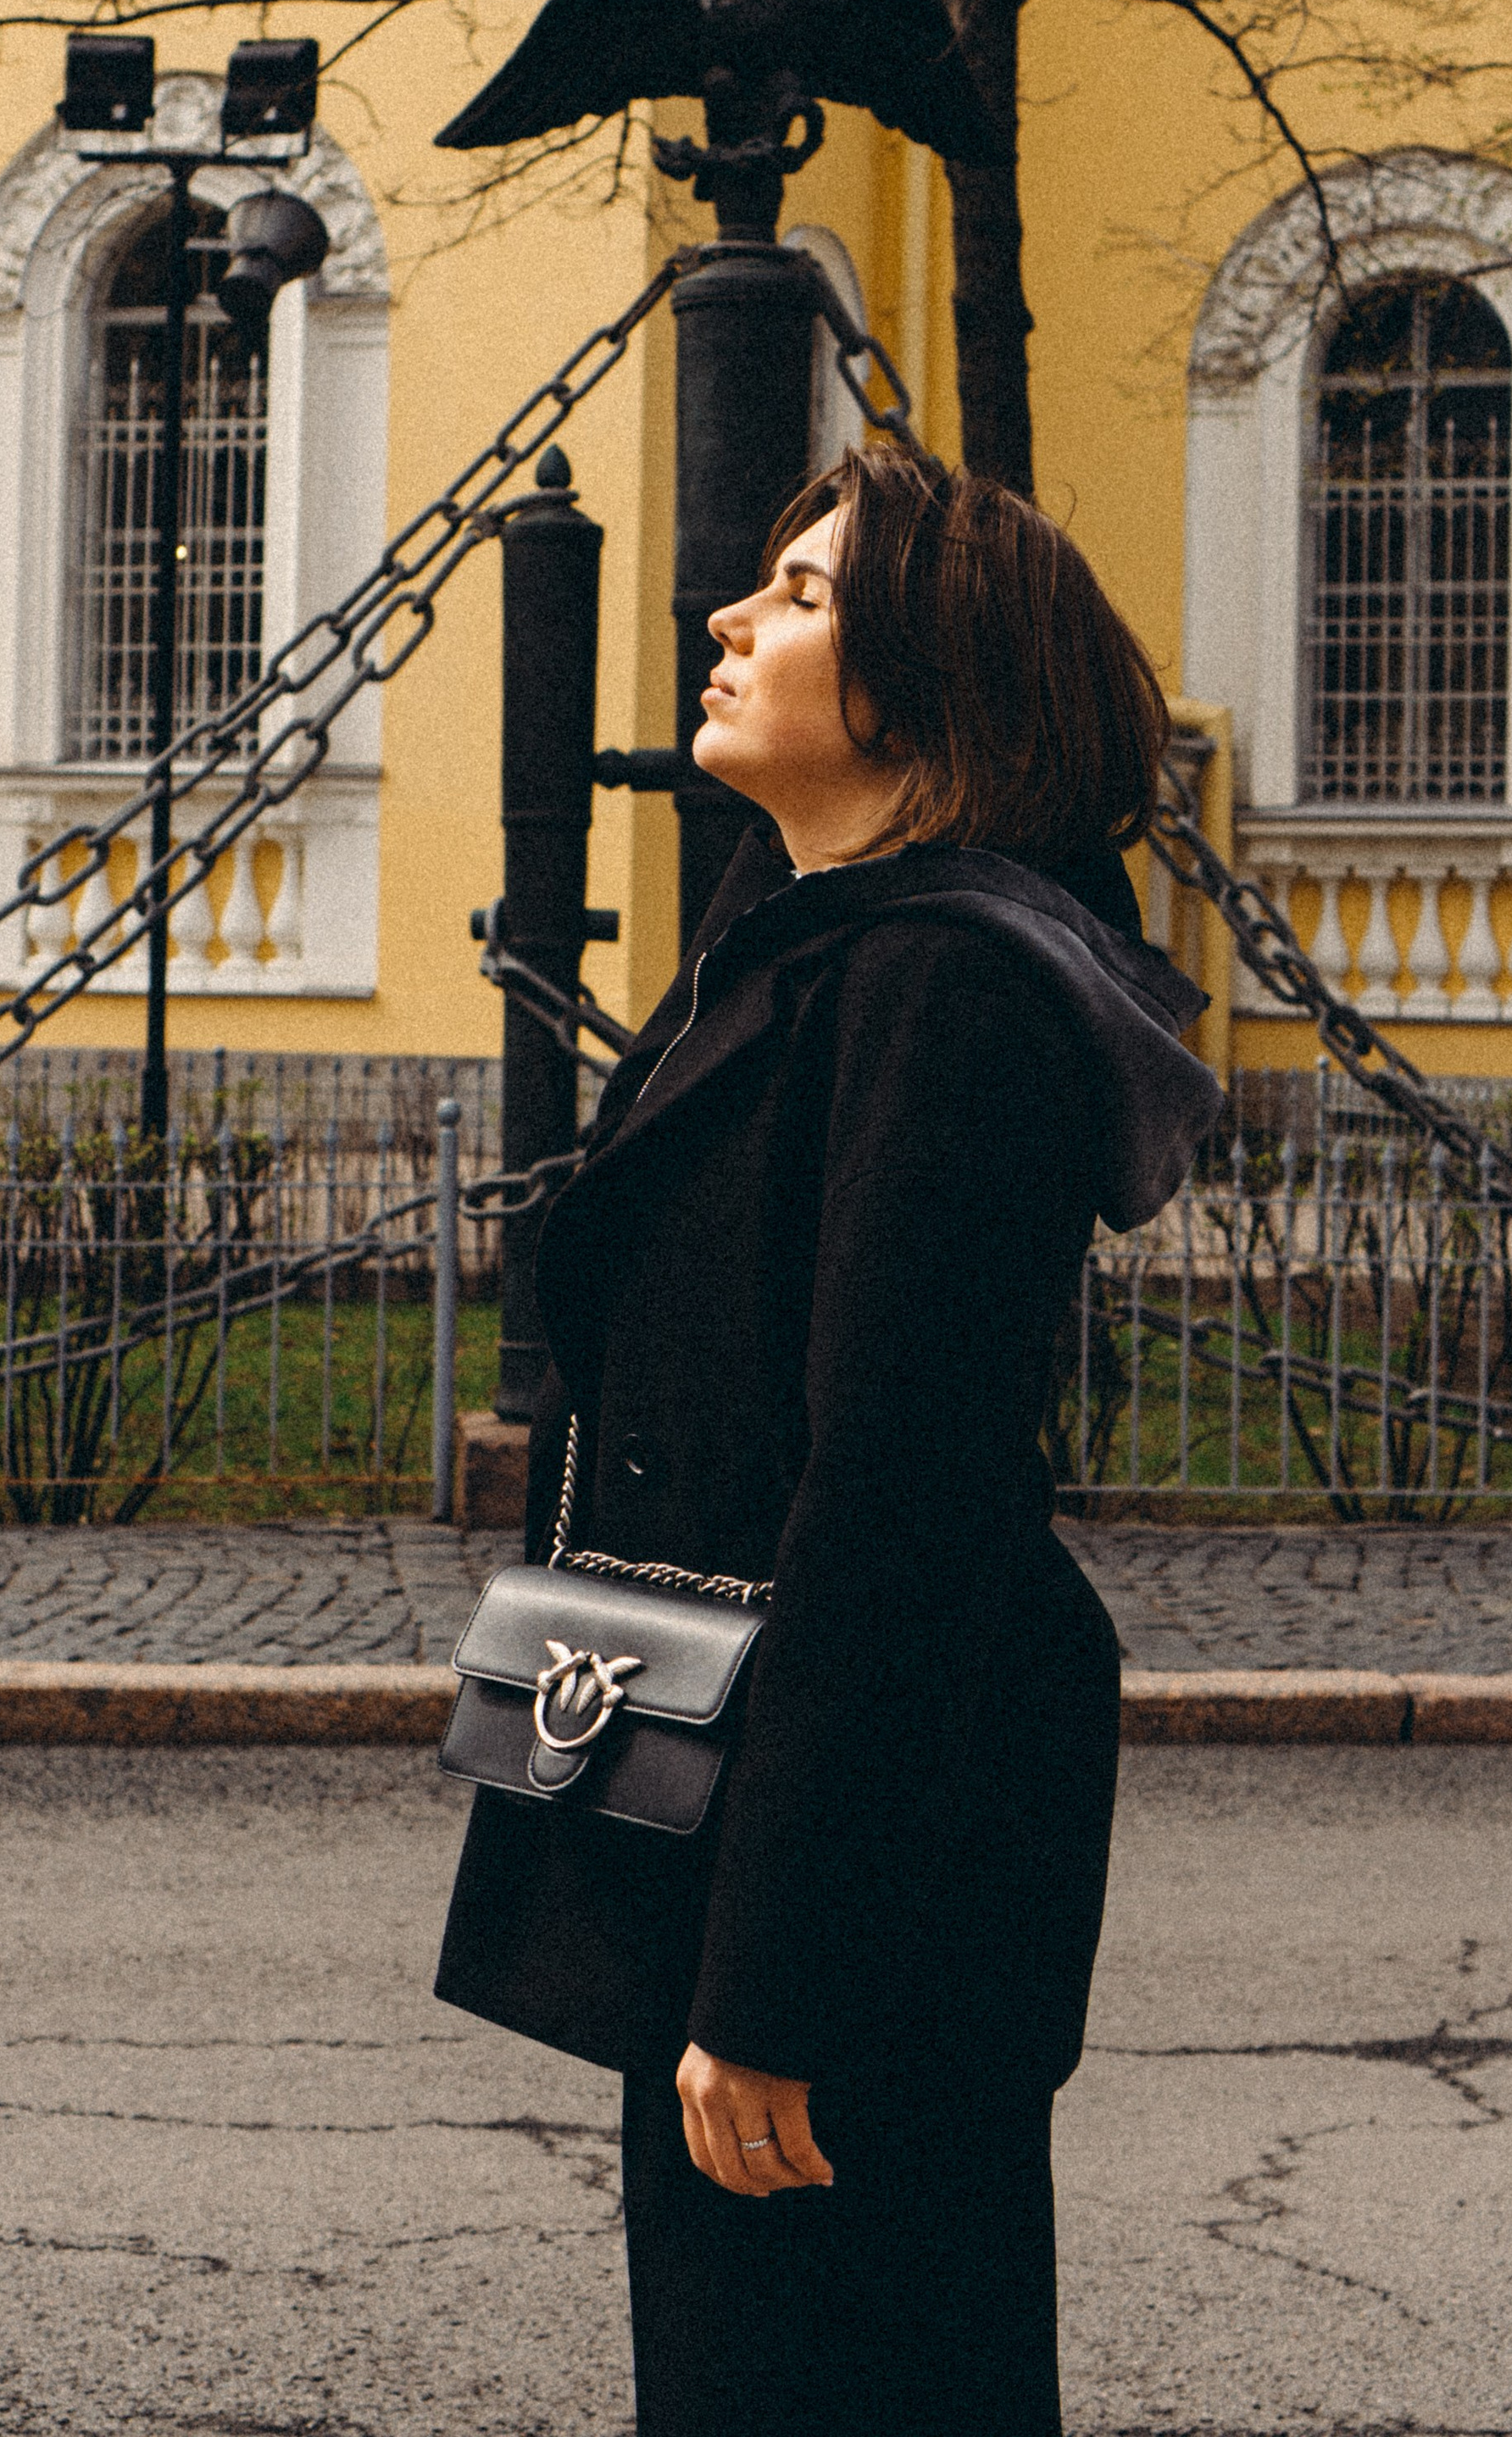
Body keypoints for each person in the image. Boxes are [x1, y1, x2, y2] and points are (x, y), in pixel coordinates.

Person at [435, 440, 1224, 2437]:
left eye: (795, 595)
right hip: (731, 1819)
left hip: (861, 1884)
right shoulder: (806, 950)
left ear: (922, 687)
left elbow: (893, 1506)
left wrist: (768, 1979)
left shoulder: (942, 995)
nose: (731, 616)